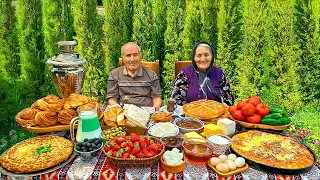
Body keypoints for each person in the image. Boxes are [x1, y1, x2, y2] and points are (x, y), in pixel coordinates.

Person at [171, 42, 234, 106]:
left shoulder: (219, 74)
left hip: (217, 114)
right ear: (194, 57)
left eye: (206, 55)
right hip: (189, 114)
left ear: (212, 57)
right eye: (199, 55)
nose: (203, 59)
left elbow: (229, 100)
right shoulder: (185, 73)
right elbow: (177, 100)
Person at [107, 42, 162, 107]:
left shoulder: (151, 75)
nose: (132, 59)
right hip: (124, 112)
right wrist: (120, 113)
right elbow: (112, 99)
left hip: (146, 113)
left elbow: (157, 99)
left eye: (135, 55)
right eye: (128, 55)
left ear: (140, 56)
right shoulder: (114, 74)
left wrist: (152, 114)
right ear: (123, 58)